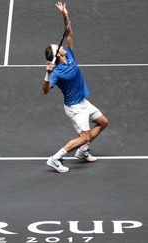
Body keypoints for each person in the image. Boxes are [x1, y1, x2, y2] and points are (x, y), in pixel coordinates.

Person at [41, 2, 109, 173]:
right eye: (58, 47)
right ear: (57, 55)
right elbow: (45, 91)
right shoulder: (56, 72)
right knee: (84, 136)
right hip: (74, 108)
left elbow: (69, 31)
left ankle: (82, 151)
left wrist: (65, 15)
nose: (60, 45)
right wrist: (47, 74)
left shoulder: (69, 55)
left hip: (83, 102)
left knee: (103, 122)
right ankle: (55, 158)